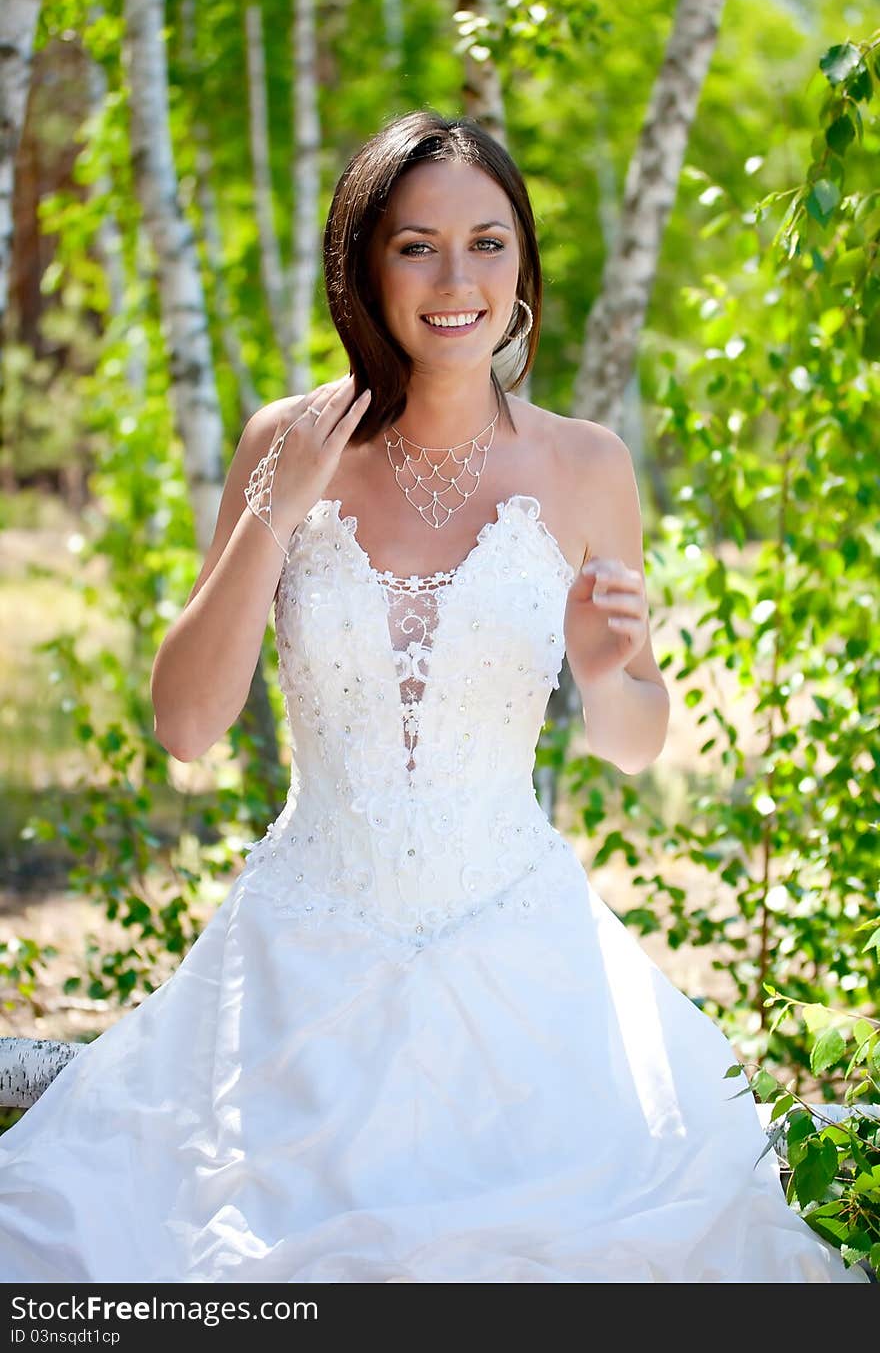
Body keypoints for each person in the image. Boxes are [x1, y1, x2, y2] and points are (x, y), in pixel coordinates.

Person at [0, 110, 868, 1284]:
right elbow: (188, 726)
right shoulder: (284, 440)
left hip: (520, 959)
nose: (455, 279)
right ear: (363, 261)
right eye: (415, 245)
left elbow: (631, 740)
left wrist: (605, 671)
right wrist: (274, 508)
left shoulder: (586, 464)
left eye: (488, 242)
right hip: (298, 954)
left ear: (523, 265)